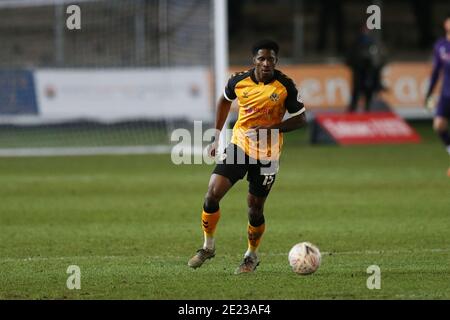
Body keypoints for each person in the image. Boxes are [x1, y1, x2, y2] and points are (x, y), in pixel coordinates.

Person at [187, 40, 307, 274]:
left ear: (276, 61)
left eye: (270, 59)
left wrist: (273, 128)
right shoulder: (238, 81)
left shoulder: (285, 86)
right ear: (254, 60)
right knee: (212, 195)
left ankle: (251, 255)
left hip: (268, 155)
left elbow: (302, 119)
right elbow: (224, 100)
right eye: (261, 59)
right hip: (240, 145)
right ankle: (207, 247)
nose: (266, 63)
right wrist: (217, 135)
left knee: (255, 210)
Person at [425, 13, 450, 177]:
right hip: (446, 94)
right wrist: (429, 92)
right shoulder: (440, 46)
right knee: (438, 126)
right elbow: (436, 72)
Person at [346, 26, 386, 113]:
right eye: (364, 30)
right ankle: (354, 107)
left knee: (368, 89)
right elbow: (351, 56)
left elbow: (378, 58)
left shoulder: (373, 43)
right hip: (359, 70)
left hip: (369, 71)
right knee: (357, 89)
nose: (365, 32)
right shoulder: (357, 43)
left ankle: (367, 107)